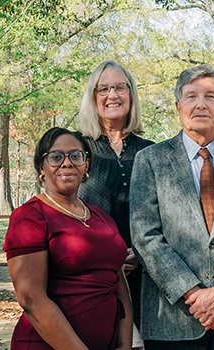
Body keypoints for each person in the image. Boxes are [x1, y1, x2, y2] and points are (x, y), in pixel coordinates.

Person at [130, 64, 214, 350]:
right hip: (171, 321)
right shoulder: (150, 160)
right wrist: (194, 294)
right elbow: (145, 235)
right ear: (179, 105)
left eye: (211, 96)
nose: (201, 104)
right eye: (191, 96)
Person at [4, 127, 132, 350]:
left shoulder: (101, 216)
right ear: (41, 168)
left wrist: (125, 346)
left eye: (76, 155)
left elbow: (119, 285)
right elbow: (31, 300)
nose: (67, 163)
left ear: (87, 165)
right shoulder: (29, 217)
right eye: (55, 157)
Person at [76, 60, 154, 349]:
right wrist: (109, 257)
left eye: (120, 87)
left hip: (147, 279)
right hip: (93, 278)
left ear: (131, 95)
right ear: (93, 97)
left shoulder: (153, 152)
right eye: (104, 89)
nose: (113, 95)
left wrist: (142, 256)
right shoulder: (76, 150)